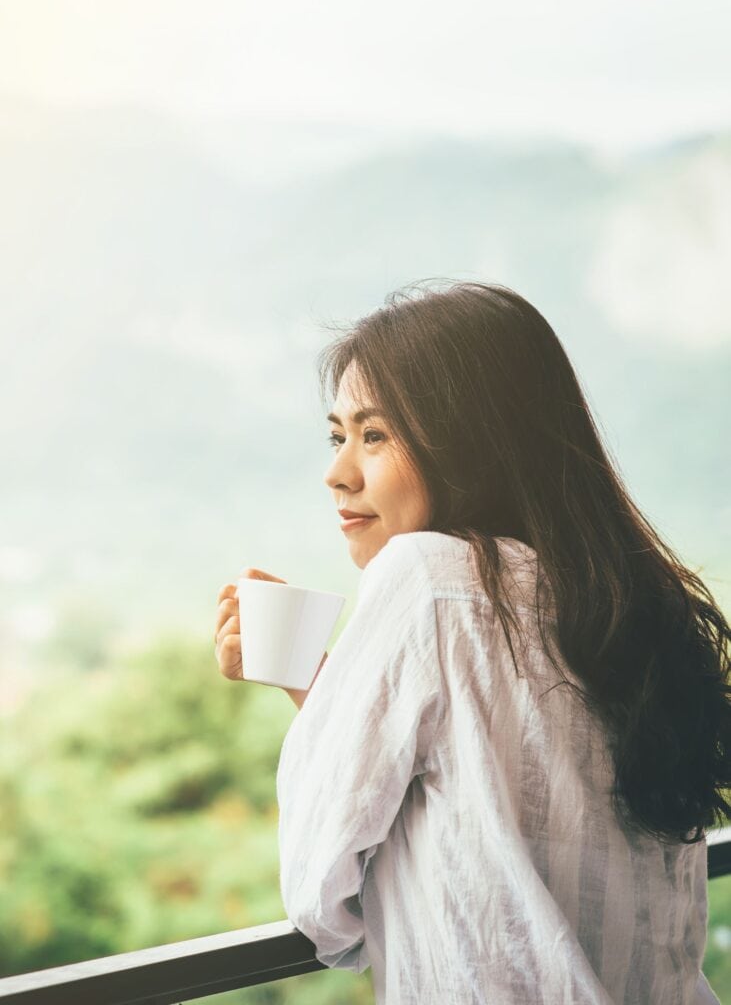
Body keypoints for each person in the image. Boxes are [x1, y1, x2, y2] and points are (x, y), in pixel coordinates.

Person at [214, 280, 730, 1004]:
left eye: (375, 434)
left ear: (470, 439)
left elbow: (324, 903)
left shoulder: (426, 574)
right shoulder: (628, 596)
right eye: (338, 436)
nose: (337, 473)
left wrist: (325, 702)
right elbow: (495, 784)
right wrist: (323, 687)